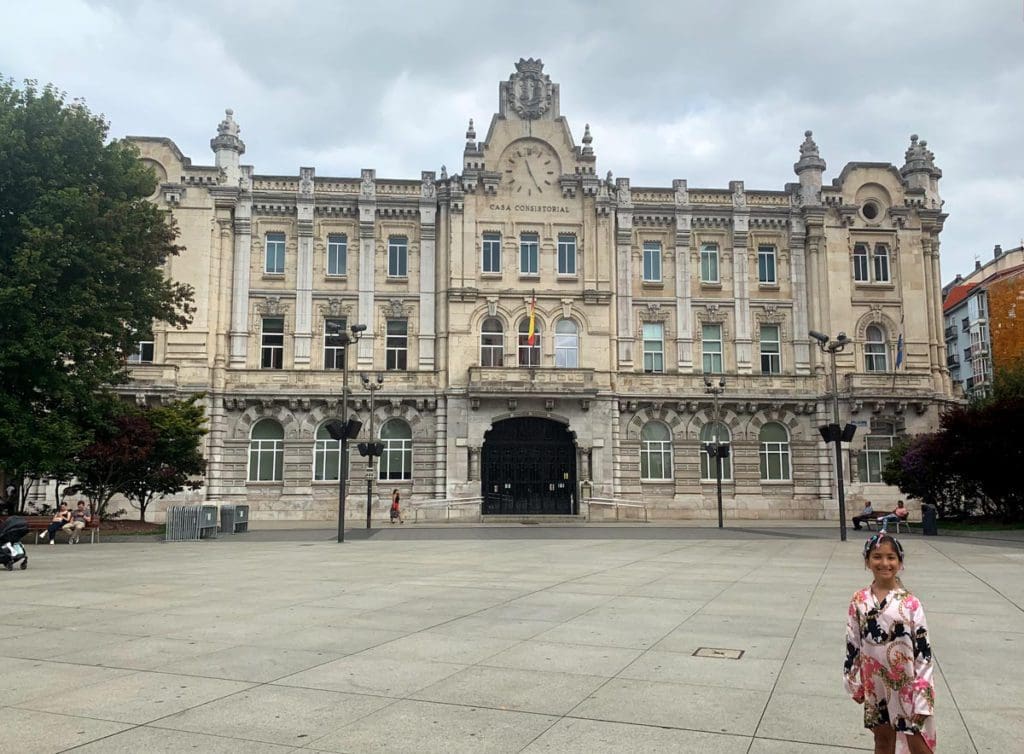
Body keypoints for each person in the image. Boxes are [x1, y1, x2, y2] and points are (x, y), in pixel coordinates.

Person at [844, 533, 936, 753]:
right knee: (883, 742)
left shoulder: (911, 603)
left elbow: (924, 653)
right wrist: (851, 680)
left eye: (891, 557)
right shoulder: (859, 600)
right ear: (867, 561)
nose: (884, 563)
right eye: (877, 556)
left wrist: (923, 696)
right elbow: (852, 643)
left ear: (900, 562)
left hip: (908, 686)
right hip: (875, 686)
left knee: (919, 745)